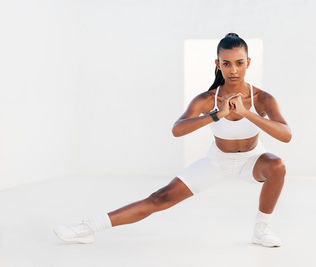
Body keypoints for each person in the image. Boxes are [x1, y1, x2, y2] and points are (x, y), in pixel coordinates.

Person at [53, 33, 291, 248]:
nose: (233, 70)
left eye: (239, 63)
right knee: (160, 198)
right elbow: (177, 129)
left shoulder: (262, 99)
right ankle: (88, 227)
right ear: (217, 64)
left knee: (276, 165)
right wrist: (217, 115)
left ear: (248, 63)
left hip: (252, 161)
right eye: (226, 63)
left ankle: (262, 229)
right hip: (216, 162)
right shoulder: (208, 99)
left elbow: (286, 135)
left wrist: (247, 113)